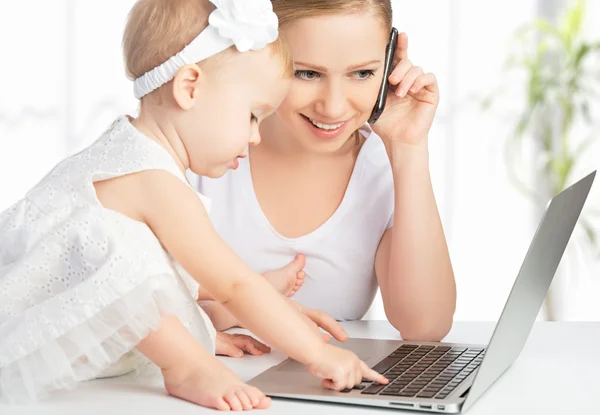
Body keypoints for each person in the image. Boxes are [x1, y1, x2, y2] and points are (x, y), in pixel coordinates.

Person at [0, 0, 387, 410]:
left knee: (151, 261)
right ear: (189, 87)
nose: (255, 137)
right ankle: (184, 366)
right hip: (34, 318)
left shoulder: (127, 149)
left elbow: (167, 278)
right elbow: (233, 284)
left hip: (79, 322)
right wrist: (318, 353)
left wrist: (201, 327)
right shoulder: (151, 179)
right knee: (119, 248)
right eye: (253, 115)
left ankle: (190, 342)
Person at [192, 0, 457, 342]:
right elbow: (135, 305)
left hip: (326, 386)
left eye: (362, 73)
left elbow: (425, 326)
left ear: (389, 63)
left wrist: (409, 146)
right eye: (307, 73)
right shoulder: (199, 151)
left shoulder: (384, 166)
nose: (333, 107)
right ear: (260, 53)